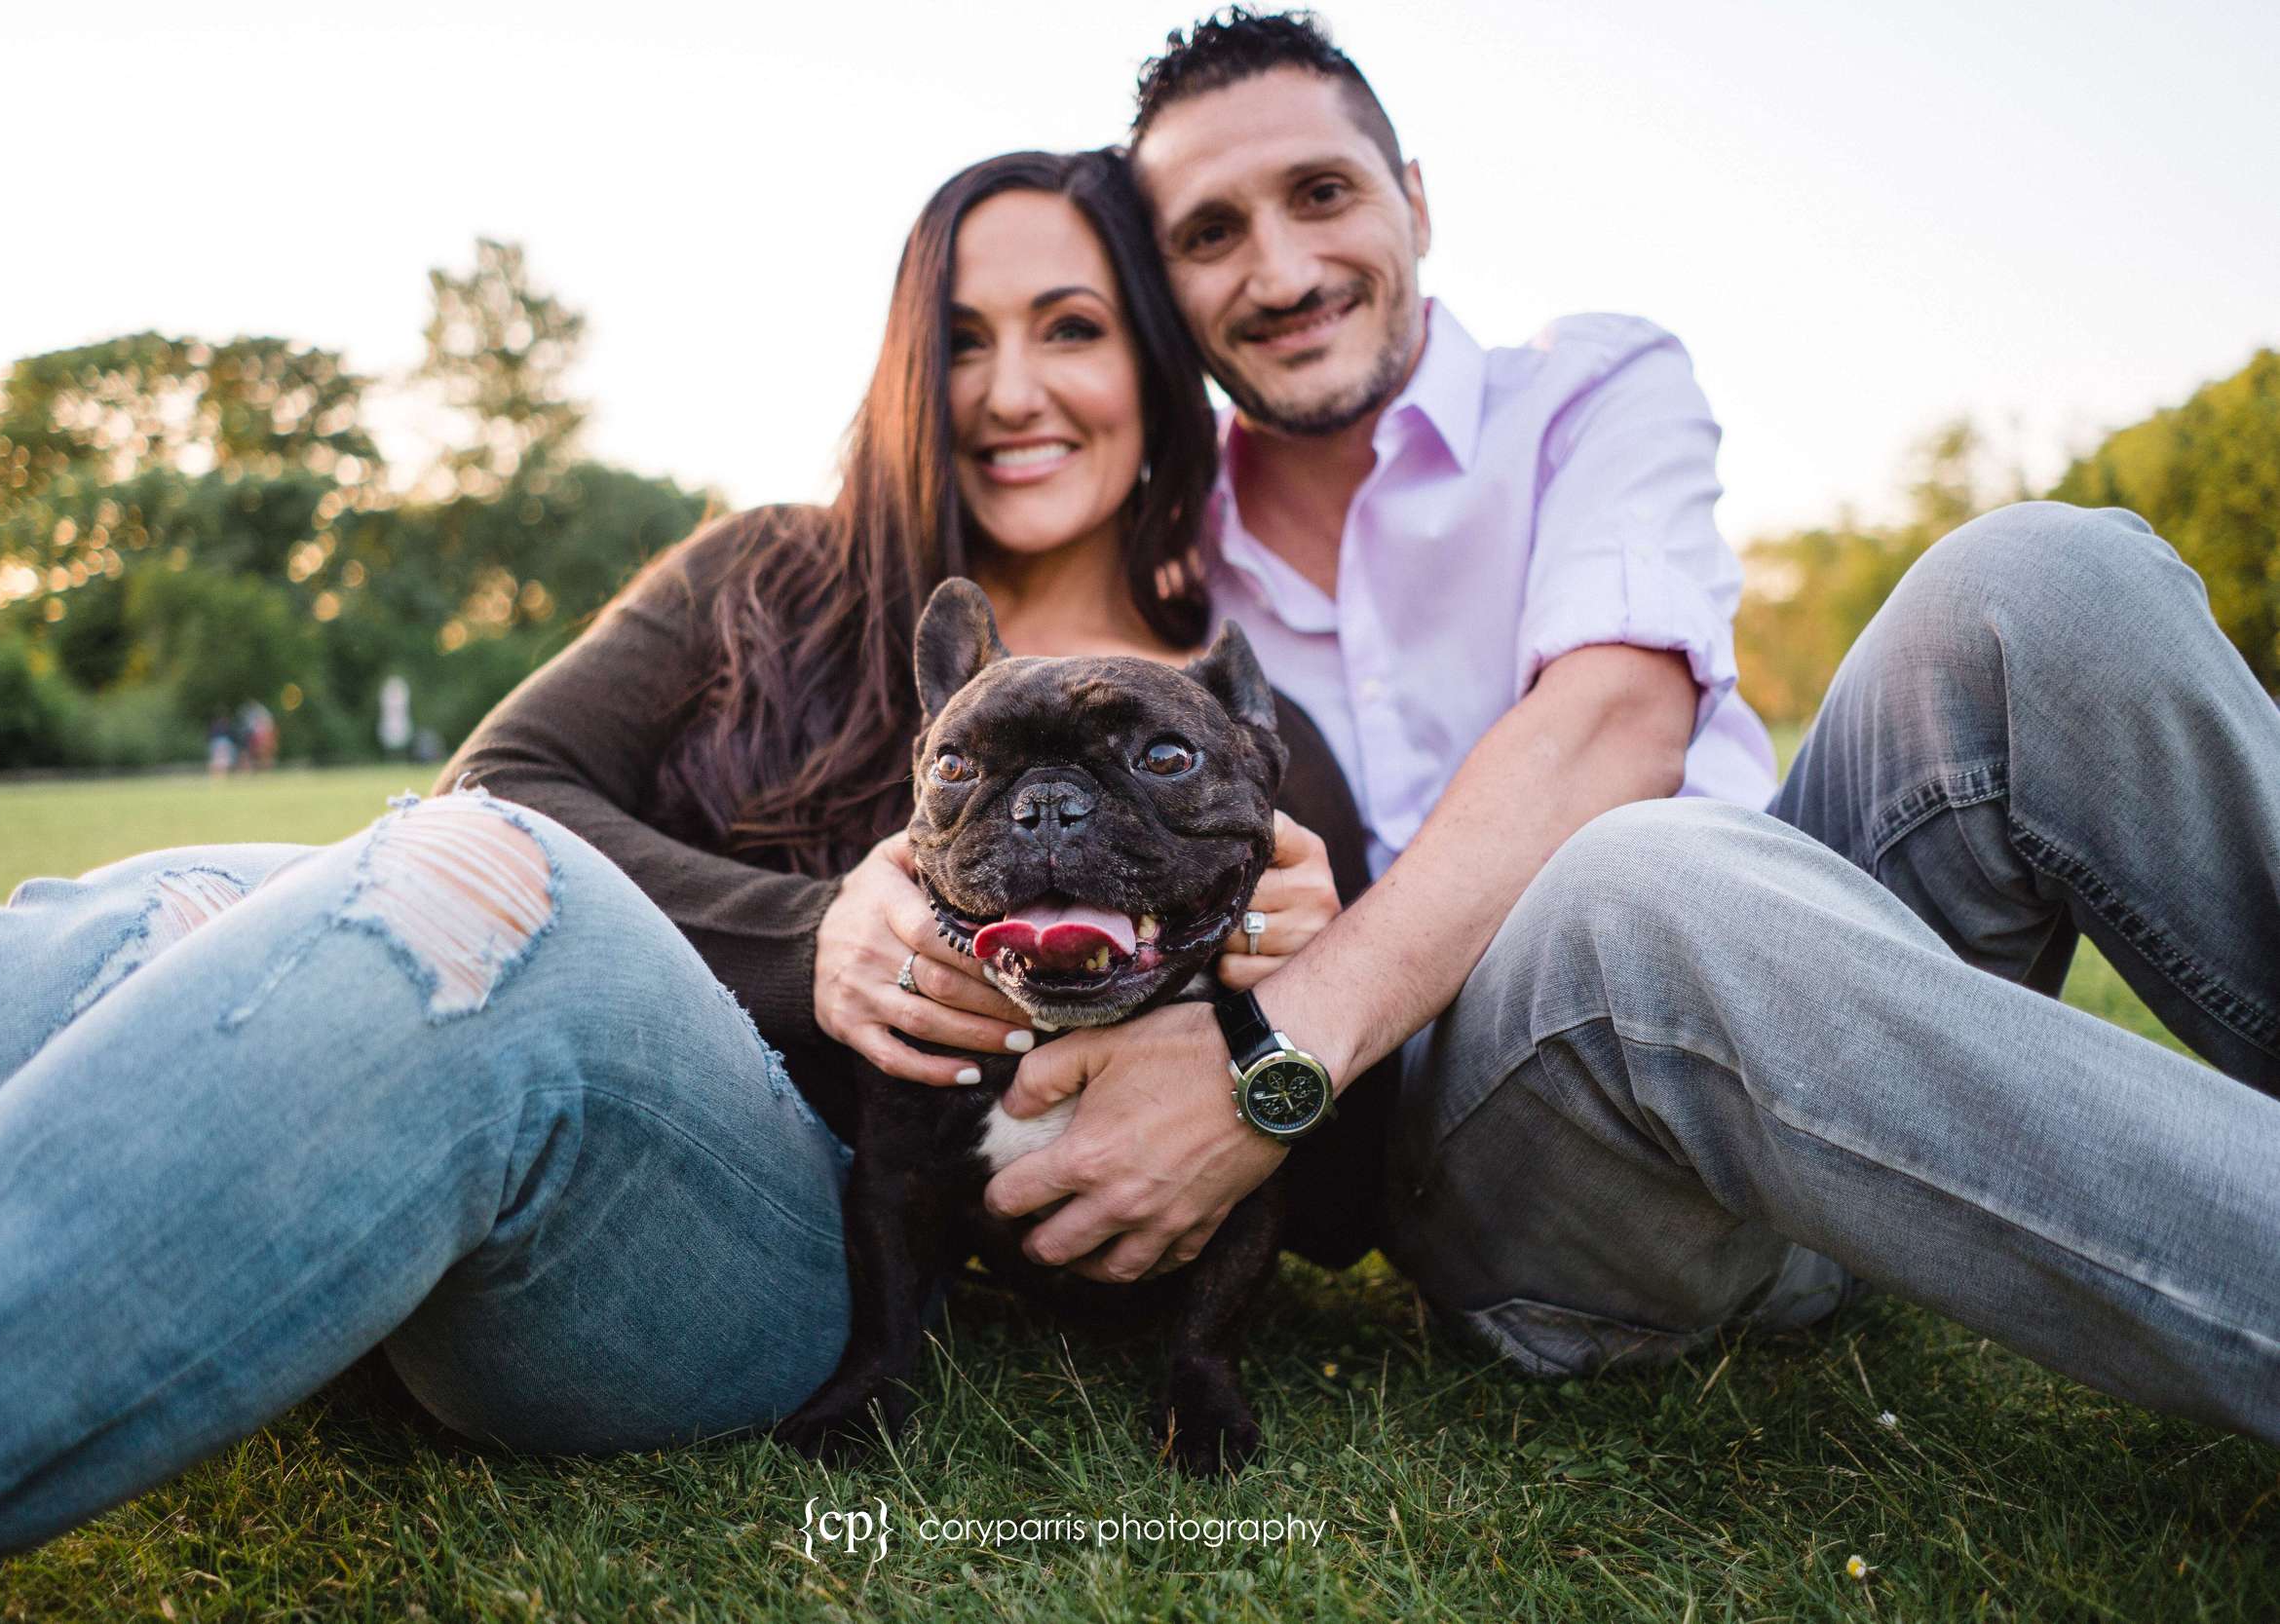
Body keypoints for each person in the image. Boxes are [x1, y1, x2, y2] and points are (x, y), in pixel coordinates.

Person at [0, 150, 1370, 1609]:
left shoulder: (1243, 714)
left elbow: (1370, 1122)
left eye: (1075, 330)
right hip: (560, 1109)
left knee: (468, 886)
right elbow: (496, 780)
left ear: (1159, 364)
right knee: (187, 894)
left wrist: (1265, 1007)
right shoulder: (766, 574)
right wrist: (818, 927)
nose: (1011, 388)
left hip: (762, 1254)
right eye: (959, 339)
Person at [977, 8, 2280, 1442]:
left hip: (1842, 1033)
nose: (1282, 269)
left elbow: (1614, 728)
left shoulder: (1592, 389)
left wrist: (1270, 1055)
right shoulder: (1163, 572)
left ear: (1414, 197)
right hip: (1524, 1179)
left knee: (2045, 580)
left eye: (1323, 194)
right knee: (1640, 885)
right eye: (1210, 232)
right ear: (1165, 285)